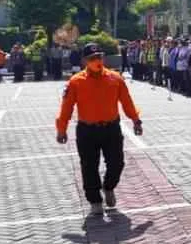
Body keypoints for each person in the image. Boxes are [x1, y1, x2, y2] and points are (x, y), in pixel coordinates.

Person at [56, 43, 143, 216]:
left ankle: (108, 187)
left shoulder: (115, 78)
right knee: (89, 166)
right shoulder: (76, 82)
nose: (97, 61)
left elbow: (127, 102)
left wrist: (135, 120)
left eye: (99, 57)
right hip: (87, 130)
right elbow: (66, 108)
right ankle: (95, 200)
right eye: (92, 58)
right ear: (84, 61)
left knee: (117, 163)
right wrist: (61, 129)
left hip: (111, 128)